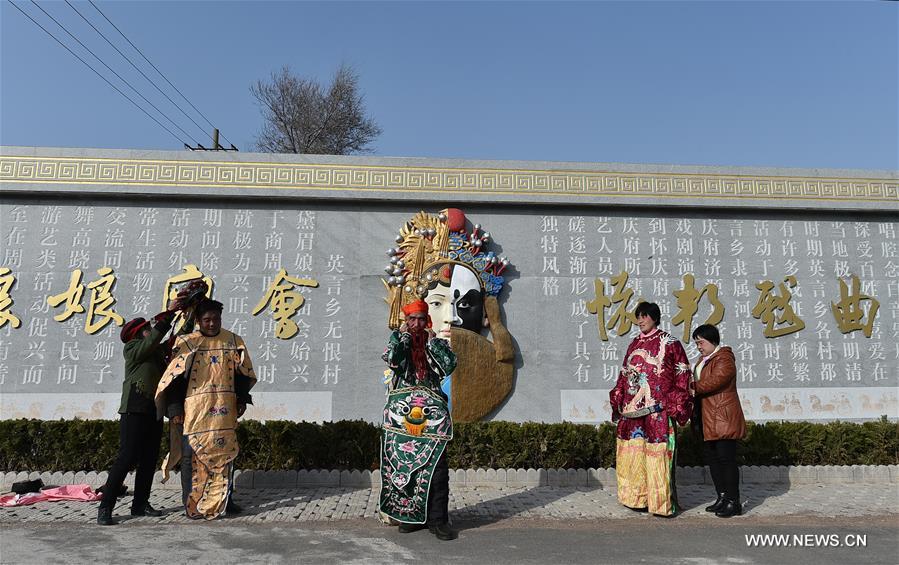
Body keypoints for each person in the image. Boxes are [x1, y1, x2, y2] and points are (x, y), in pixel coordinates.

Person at [154, 299, 256, 520]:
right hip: (194, 410)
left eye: (216, 319)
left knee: (225, 454)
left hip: (223, 409)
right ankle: (192, 503)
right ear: (199, 321)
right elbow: (174, 379)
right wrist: (174, 409)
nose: (212, 324)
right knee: (192, 456)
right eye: (207, 320)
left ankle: (225, 500)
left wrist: (242, 400)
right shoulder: (188, 342)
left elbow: (241, 374)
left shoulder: (232, 340)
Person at [97, 299, 181, 525]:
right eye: (146, 329)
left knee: (148, 459)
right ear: (138, 333)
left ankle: (140, 504)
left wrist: (188, 313)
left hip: (153, 409)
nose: (150, 331)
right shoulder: (132, 349)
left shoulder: (154, 353)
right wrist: (169, 314)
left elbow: (174, 339)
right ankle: (106, 507)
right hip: (133, 409)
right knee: (126, 458)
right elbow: (154, 339)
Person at [379, 300, 457, 540]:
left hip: (432, 413)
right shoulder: (398, 340)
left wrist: (432, 342)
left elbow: (449, 365)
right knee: (403, 464)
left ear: (427, 320)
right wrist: (401, 337)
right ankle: (410, 517)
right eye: (412, 319)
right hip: (403, 415)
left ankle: (438, 520)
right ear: (405, 321)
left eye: (421, 319)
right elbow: (393, 359)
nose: (416, 324)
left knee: (437, 468)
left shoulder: (436, 343)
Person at [609, 302, 693, 517]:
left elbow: (683, 373)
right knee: (634, 454)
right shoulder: (634, 343)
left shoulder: (670, 342)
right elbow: (625, 372)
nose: (640, 320)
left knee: (657, 456)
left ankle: (660, 503)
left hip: (658, 409)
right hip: (632, 411)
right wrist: (619, 395)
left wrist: (674, 401)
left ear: (655, 318)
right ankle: (636, 499)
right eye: (638, 316)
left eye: (644, 316)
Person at [692, 323, 745, 518]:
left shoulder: (724, 358)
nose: (698, 346)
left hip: (723, 417)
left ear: (713, 340)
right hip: (708, 419)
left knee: (726, 460)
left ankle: (734, 501)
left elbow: (717, 380)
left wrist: (692, 387)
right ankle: (722, 497)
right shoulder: (703, 360)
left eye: (701, 342)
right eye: (696, 343)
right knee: (713, 460)